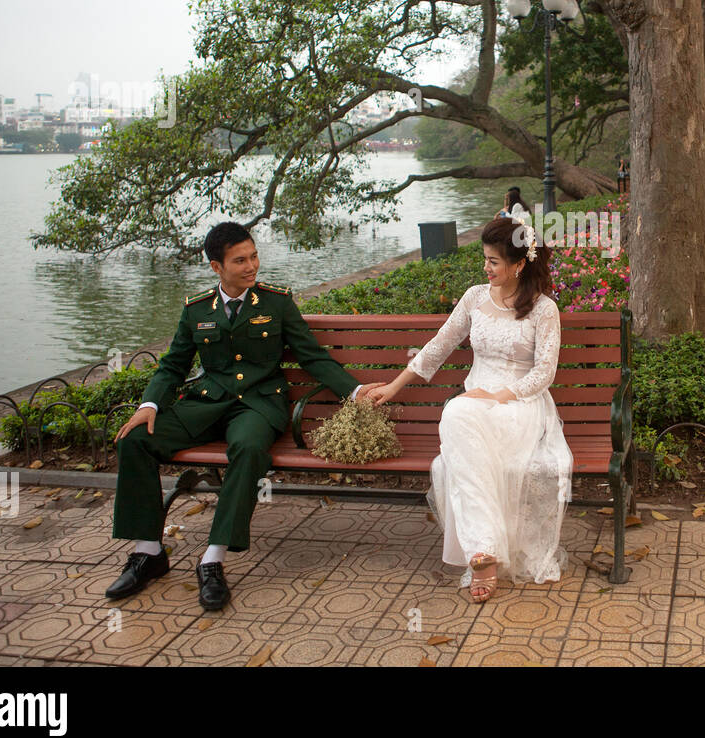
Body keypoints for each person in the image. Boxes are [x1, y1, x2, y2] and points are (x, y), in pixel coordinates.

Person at [106, 222, 368, 610]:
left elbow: (311, 356)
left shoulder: (276, 302)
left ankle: (213, 559)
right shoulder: (197, 310)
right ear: (217, 267)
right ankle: (148, 553)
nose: (251, 266)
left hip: (259, 405)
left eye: (254, 256)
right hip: (208, 403)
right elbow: (172, 366)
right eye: (240, 260)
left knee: (247, 447)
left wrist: (357, 391)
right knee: (135, 440)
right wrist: (149, 405)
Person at [360, 216, 568, 603]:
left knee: (457, 417)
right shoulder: (475, 297)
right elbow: (439, 346)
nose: (485, 268)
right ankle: (483, 552)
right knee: (457, 415)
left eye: (493, 261)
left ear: (519, 264)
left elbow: (544, 373)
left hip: (519, 406)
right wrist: (394, 386)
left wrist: (498, 396)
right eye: (485, 259)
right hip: (473, 406)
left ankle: (482, 555)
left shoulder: (543, 309)